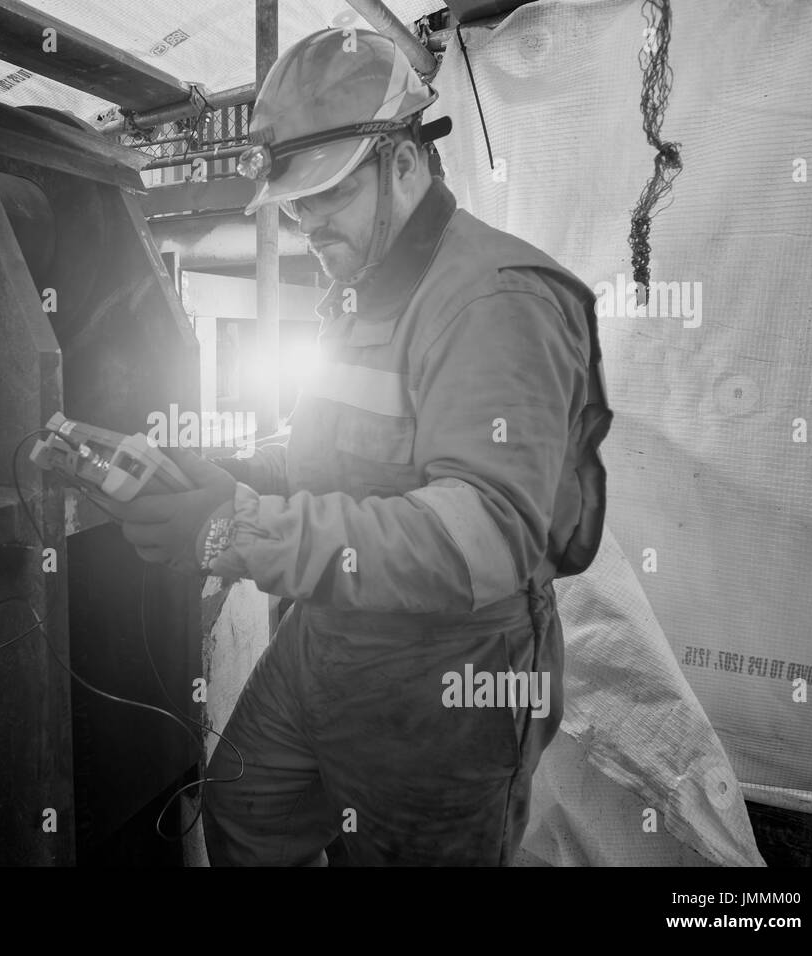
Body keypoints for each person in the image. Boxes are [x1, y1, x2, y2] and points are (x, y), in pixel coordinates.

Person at [109, 27, 613, 865]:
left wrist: (238, 529)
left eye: (326, 196)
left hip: (451, 677)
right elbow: (325, 458)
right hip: (332, 635)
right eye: (296, 203)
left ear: (406, 160)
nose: (306, 223)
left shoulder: (495, 301)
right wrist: (227, 474)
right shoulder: (363, 291)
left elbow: (482, 535)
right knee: (242, 805)